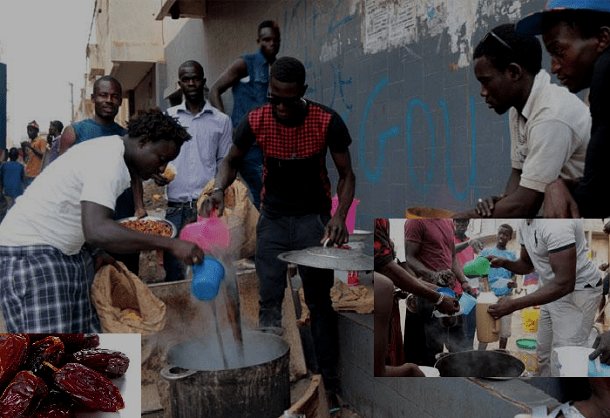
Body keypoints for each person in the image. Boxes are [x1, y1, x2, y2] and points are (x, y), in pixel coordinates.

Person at [202, 56, 355, 398]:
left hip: (312, 224)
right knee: (269, 303)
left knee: (319, 304)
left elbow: (347, 175)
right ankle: (273, 385)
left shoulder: (327, 120)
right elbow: (230, 161)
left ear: (302, 91)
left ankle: (332, 386)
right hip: (272, 221)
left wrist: (339, 215)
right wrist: (217, 190)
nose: (281, 107)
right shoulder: (255, 119)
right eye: (275, 98)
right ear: (268, 91)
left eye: (289, 99)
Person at [0, 110, 204, 333]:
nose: (162, 168)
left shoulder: (115, 155)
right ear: (144, 142)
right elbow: (97, 229)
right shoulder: (109, 160)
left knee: (83, 349)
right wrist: (171, 244)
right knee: (51, 358)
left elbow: (83, 216)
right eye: (162, 159)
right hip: (33, 256)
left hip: (68, 252)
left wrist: (97, 253)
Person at [453, 23, 591, 218]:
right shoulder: (519, 107)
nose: (483, 93)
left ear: (514, 72)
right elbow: (517, 176)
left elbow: (525, 206)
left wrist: (455, 219)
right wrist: (500, 203)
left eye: (486, 81)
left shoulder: (551, 115)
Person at [517, 0, 610, 218]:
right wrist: (559, 185)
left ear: (603, 39)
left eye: (559, 51)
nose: (554, 67)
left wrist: (561, 188)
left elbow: (594, 199)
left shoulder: (605, 73)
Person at [487, 219, 602, 376]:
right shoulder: (524, 223)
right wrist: (504, 263)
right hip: (552, 289)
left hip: (578, 291)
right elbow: (527, 264)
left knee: (566, 356)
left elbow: (565, 283)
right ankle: (547, 390)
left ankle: (568, 397)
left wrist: (513, 304)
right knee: (543, 352)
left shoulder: (556, 223)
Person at [59, 75, 145, 274]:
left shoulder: (127, 136)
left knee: (128, 279)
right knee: (94, 284)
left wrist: (139, 207)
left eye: (114, 96)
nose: (109, 100)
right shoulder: (75, 133)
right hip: (89, 223)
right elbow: (64, 180)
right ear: (93, 98)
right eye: (103, 95)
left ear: (120, 101)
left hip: (124, 219)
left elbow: (135, 175)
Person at [160, 60, 232, 281]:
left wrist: (218, 190)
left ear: (203, 81)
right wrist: (158, 173)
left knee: (210, 273)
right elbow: (158, 159)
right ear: (179, 83)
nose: (191, 83)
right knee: (175, 278)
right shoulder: (168, 119)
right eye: (186, 79)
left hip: (208, 210)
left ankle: (213, 317)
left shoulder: (221, 121)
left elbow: (226, 163)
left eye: (195, 78)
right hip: (175, 211)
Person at [209, 20, 281, 210]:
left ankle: (266, 234)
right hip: (249, 146)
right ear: (259, 41)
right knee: (264, 194)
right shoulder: (245, 64)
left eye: (275, 40)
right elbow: (214, 90)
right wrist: (226, 125)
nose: (271, 44)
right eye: (266, 39)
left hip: (271, 143)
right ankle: (265, 236)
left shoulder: (276, 68)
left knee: (272, 194)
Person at [374, 218, 459, 377]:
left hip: (400, 302)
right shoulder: (413, 222)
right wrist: (438, 297)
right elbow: (394, 269)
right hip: (387, 304)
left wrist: (439, 290)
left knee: (430, 349)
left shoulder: (447, 222)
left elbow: (401, 269)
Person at [403, 218, 475, 366]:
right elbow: (410, 258)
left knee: (459, 345)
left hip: (451, 293)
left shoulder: (447, 221)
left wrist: (464, 281)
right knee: (431, 349)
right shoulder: (416, 221)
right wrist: (434, 276)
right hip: (427, 295)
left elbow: (452, 256)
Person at [478, 223, 517, 350]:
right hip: (488, 297)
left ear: (510, 237)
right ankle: (480, 355)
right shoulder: (486, 252)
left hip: (505, 297)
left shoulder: (511, 255)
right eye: (500, 233)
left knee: (504, 331)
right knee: (486, 328)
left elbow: (513, 275)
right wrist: (485, 288)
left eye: (506, 234)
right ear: (497, 234)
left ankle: (501, 354)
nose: (502, 236)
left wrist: (512, 282)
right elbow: (479, 272)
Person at [453, 219, 482, 348]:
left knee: (471, 328)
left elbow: (471, 265)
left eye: (464, 223)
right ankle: (457, 357)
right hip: (455, 292)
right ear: (453, 223)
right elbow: (451, 251)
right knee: (458, 331)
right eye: (458, 223)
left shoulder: (471, 242)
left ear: (467, 224)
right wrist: (468, 243)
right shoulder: (449, 239)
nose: (461, 226)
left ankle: (469, 357)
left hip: (470, 292)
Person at [21, 120, 47, 188]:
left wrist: (30, 146)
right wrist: (23, 149)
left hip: (36, 175)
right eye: (28, 130)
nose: (28, 132)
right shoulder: (30, 143)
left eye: (31, 130)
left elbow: (43, 156)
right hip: (28, 175)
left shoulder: (41, 141)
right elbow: (26, 160)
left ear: (37, 131)